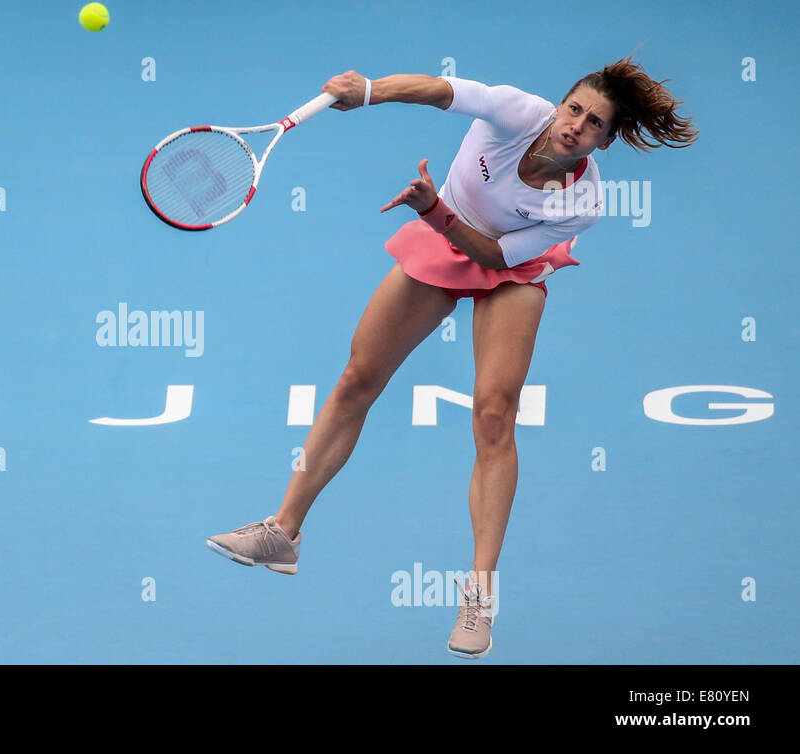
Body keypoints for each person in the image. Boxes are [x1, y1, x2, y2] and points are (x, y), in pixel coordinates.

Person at [206, 58, 697, 659]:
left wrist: (433, 210)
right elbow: (441, 91)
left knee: (494, 416)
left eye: (594, 123)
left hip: (507, 269)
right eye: (573, 109)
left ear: (606, 139)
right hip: (445, 232)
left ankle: (479, 596)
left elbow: (495, 257)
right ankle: (282, 532)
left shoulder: (584, 203)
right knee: (359, 378)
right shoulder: (518, 112)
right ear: (559, 105)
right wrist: (369, 92)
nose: (575, 125)